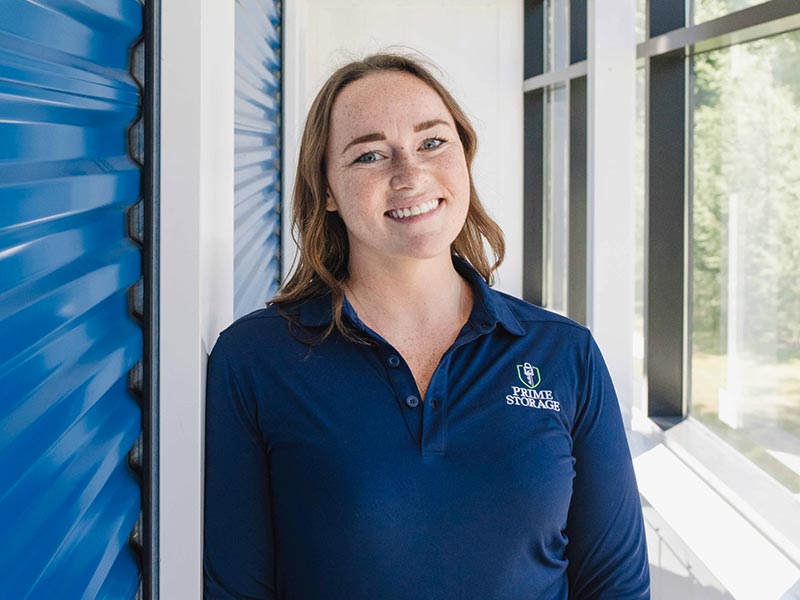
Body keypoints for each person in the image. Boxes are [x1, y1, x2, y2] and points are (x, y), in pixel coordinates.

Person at [204, 52, 650, 599]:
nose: (409, 175)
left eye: (432, 142)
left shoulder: (565, 354)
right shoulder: (254, 360)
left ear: (464, 157)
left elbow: (615, 587)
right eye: (369, 155)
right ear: (326, 191)